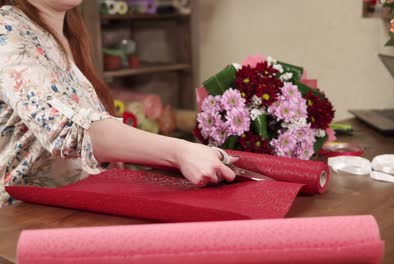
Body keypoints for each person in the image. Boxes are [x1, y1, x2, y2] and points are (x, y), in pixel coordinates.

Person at [0, 0, 236, 207]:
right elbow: (69, 130)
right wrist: (180, 151)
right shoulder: (7, 31)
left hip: (70, 207)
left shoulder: (64, 35)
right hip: (19, 221)